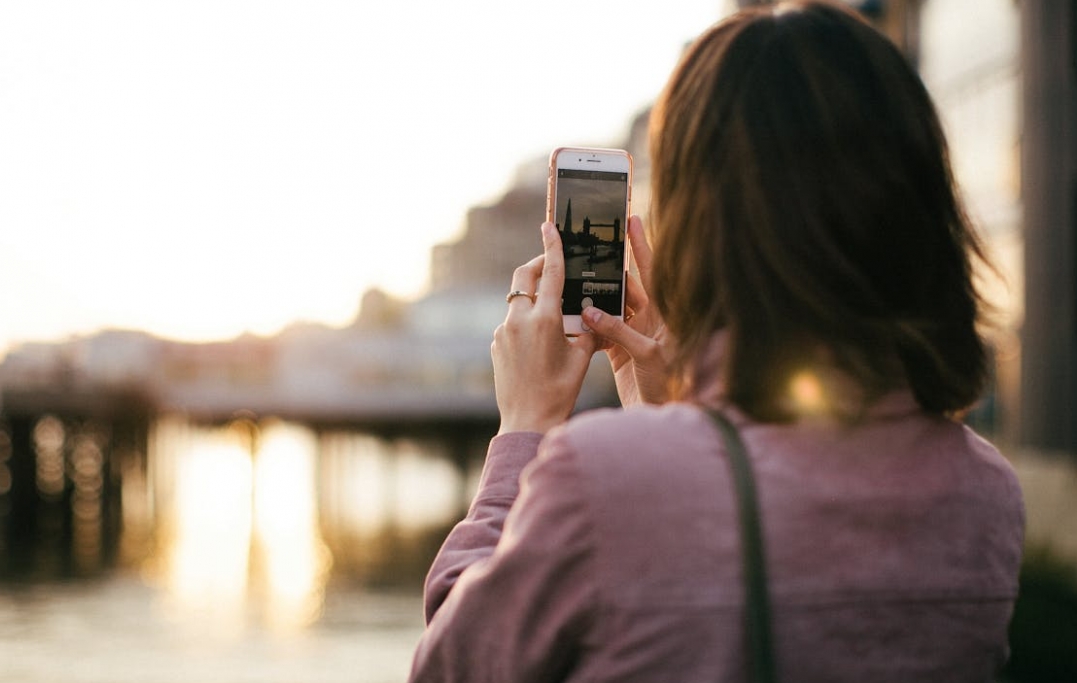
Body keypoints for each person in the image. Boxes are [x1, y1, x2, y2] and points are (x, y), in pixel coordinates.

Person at [407, 2, 1025, 681]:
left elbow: (451, 668)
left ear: (699, 217)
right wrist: (679, 417)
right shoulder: (985, 490)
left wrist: (524, 427)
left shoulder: (600, 475)